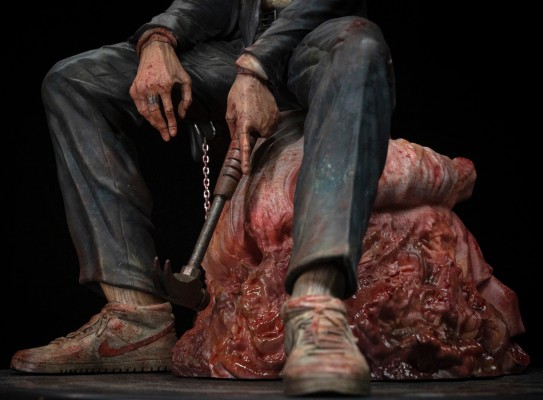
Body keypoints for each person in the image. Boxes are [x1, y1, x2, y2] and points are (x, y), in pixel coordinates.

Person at [11, 0, 395, 396]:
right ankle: (136, 320)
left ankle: (317, 311)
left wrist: (256, 67)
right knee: (75, 81)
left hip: (320, 42)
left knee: (360, 44)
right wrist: (159, 37)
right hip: (247, 48)